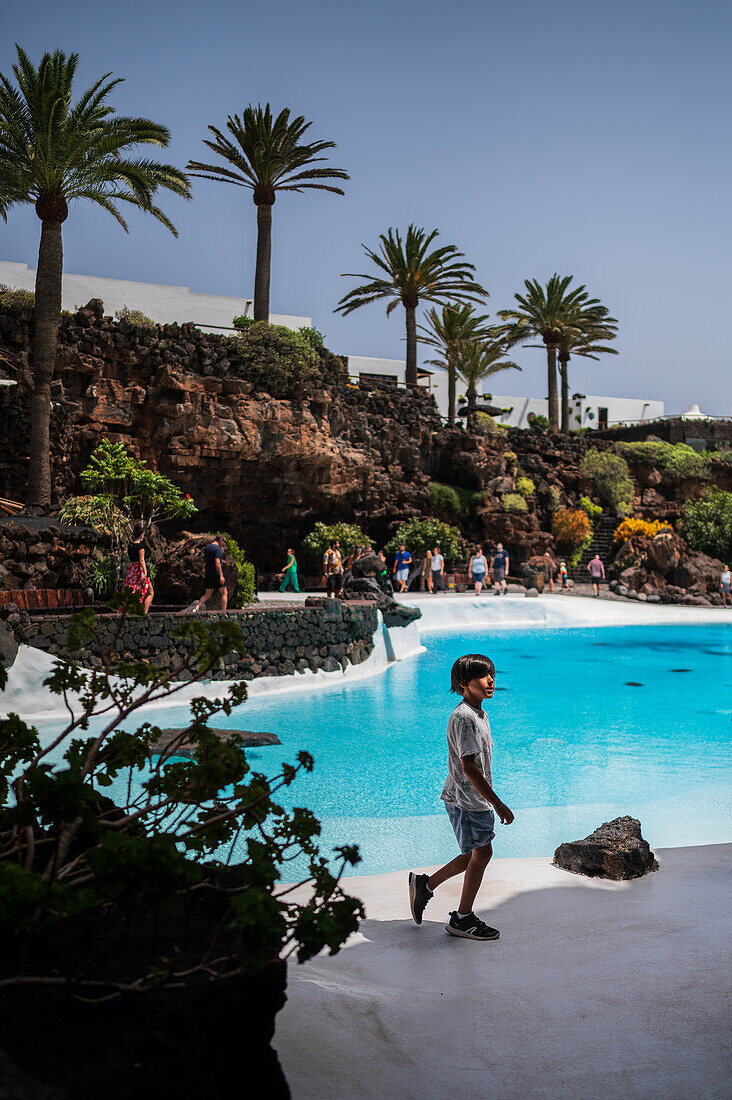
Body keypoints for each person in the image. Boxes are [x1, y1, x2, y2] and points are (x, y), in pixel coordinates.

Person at [408, 653, 514, 940]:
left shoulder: (478, 713)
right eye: (483, 676)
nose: (491, 680)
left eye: (492, 674)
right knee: (483, 853)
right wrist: (498, 803)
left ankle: (425, 885)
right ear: (464, 683)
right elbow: (468, 767)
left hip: (471, 798)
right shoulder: (465, 717)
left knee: (474, 854)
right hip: (467, 800)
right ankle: (462, 918)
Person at [122, 525, 154, 613]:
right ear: (141, 535)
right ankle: (144, 613)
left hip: (131, 570)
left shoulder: (130, 545)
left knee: (133, 591)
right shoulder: (140, 547)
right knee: (150, 592)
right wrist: (145, 572)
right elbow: (141, 560)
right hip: (138, 571)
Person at [195, 534, 228, 611]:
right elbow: (217, 562)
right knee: (224, 592)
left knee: (207, 594)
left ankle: (197, 608)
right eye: (224, 541)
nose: (224, 544)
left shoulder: (207, 548)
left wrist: (204, 570)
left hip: (208, 574)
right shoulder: (217, 549)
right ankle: (224, 611)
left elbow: (205, 561)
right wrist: (221, 575)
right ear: (220, 540)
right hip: (216, 574)